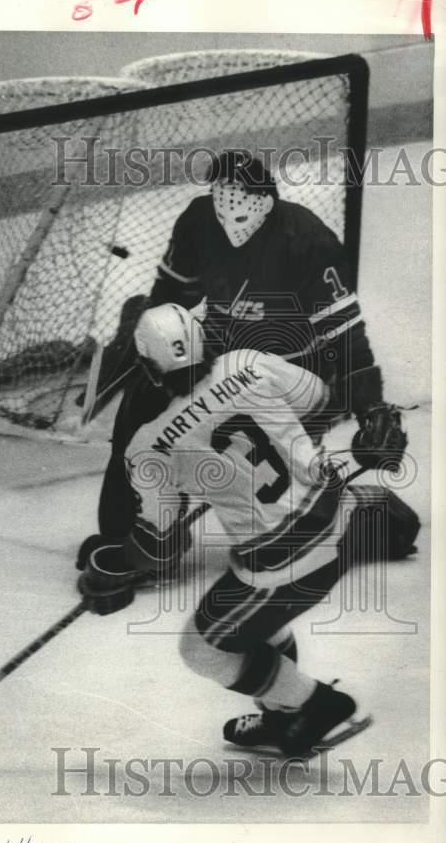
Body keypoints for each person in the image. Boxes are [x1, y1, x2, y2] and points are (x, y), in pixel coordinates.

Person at [77, 304, 418, 759]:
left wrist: (110, 565)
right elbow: (321, 406)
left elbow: (160, 547)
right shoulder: (247, 363)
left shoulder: (148, 445)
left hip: (288, 561)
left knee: (202, 649)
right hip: (342, 517)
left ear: (150, 369)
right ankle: (281, 719)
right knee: (249, 622)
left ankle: (320, 705)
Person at [79, 148, 398, 563]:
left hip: (298, 375)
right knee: (145, 400)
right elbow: (170, 298)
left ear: (267, 202)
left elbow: (347, 339)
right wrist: (162, 356)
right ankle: (136, 528)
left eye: (243, 207)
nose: (231, 218)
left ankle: (345, 517)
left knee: (226, 429)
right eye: (221, 199)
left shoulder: (306, 238)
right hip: (227, 363)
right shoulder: (198, 220)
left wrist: (372, 408)